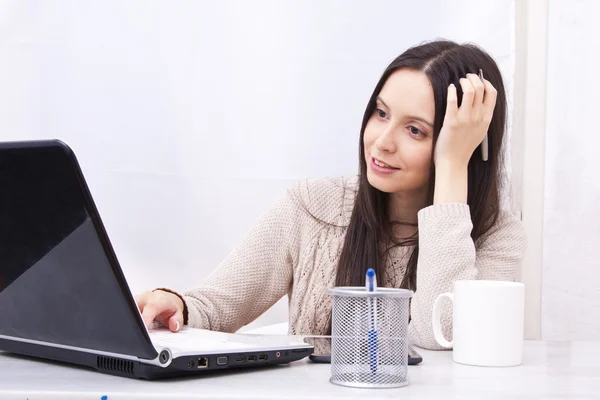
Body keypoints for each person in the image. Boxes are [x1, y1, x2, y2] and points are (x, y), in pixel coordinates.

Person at [135, 39, 526, 350]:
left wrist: (454, 166)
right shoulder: (310, 207)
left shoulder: (497, 237)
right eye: (381, 113)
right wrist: (178, 304)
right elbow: (215, 306)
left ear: (464, 145)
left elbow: (441, 336)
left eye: (415, 130)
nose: (381, 142)